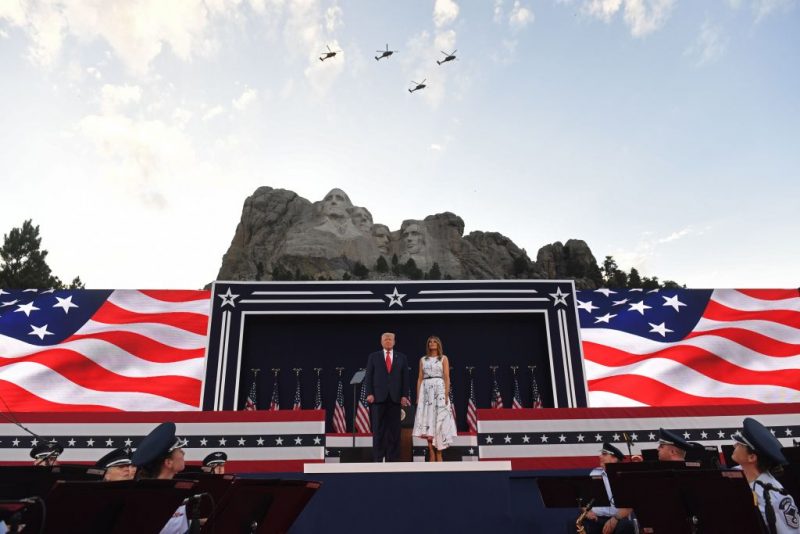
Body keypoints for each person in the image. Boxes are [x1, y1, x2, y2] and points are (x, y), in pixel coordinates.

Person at [731, 417, 800, 534]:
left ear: (751, 457)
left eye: (739, 444)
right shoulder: (734, 474)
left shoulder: (775, 497)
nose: (734, 445)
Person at [132, 422, 191, 534]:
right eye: (179, 450)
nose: (183, 452)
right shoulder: (146, 499)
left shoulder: (181, 491)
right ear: (168, 463)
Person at [364, 332, 410, 462]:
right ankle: (378, 458)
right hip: (378, 398)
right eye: (385, 339)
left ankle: (393, 458)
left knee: (394, 431)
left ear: (394, 341)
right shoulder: (373, 357)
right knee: (378, 430)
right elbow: (369, 377)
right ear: (381, 342)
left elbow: (405, 378)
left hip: (395, 399)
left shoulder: (402, 357)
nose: (388, 341)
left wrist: (404, 395)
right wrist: (369, 393)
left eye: (390, 339)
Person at [411, 336, 457, 462]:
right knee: (428, 422)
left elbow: (447, 377)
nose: (432, 343)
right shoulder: (423, 359)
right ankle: (431, 451)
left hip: (440, 390)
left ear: (438, 344)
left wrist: (446, 395)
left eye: (434, 341)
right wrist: (418, 396)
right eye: (430, 342)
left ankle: (439, 452)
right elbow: (420, 378)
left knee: (440, 422)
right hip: (426, 392)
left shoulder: (443, 358)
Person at [580, 443, 636, 534]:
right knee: (575, 523)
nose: (600, 456)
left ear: (614, 458)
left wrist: (615, 519)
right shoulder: (594, 473)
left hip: (618, 519)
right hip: (595, 518)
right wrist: (587, 512)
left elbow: (630, 505)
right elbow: (583, 499)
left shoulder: (625, 476)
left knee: (626, 526)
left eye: (604, 454)